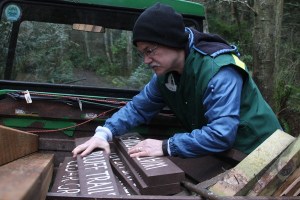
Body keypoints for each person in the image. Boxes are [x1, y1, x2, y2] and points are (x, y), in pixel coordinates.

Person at [72, 3, 281, 158]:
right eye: (141, 53)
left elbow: (220, 134)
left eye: (149, 51)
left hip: (262, 151)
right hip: (227, 153)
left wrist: (165, 146)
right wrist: (104, 133)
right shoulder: (165, 75)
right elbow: (138, 108)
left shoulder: (219, 70)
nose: (146, 60)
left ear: (170, 40)